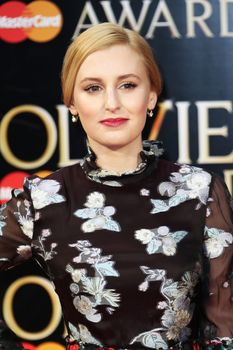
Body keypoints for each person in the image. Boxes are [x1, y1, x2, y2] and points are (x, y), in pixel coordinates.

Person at [0, 22, 232, 350]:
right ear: (72, 104)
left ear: (151, 95)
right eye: (93, 88)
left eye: (127, 85)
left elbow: (225, 326)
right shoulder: (45, 200)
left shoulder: (199, 191)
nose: (112, 103)